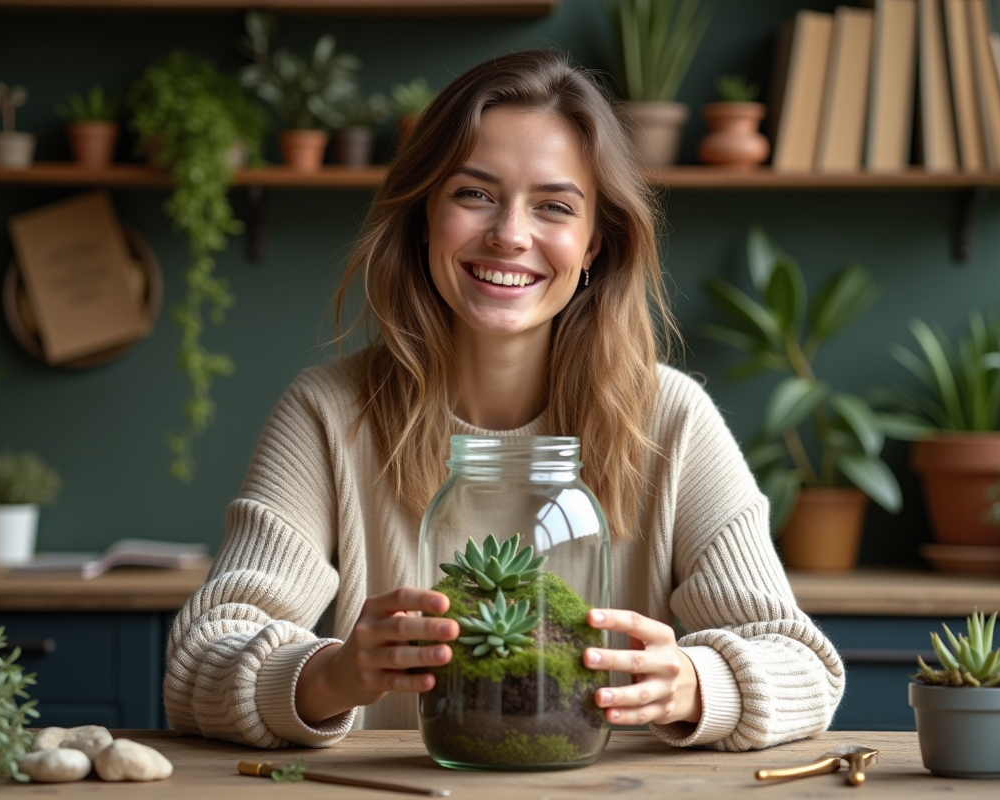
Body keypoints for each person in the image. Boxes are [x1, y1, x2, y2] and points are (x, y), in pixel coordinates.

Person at [164, 49, 843, 752]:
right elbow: (196, 665)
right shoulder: (329, 413)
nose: (510, 235)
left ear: (594, 247)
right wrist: (334, 674)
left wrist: (696, 682)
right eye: (474, 194)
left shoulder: (671, 419)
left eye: (553, 206)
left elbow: (804, 668)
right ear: (424, 215)